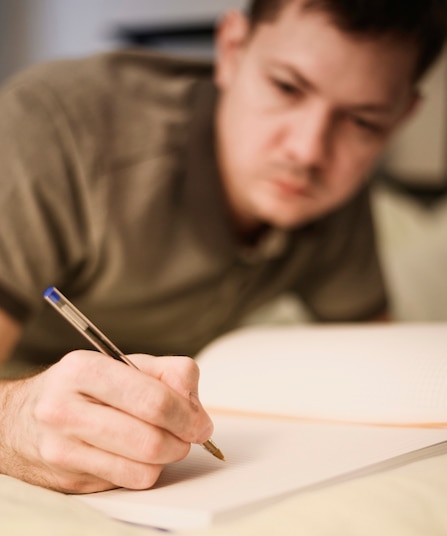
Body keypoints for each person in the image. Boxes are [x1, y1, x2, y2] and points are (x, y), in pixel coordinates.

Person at [0, 0, 445, 494]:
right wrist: (16, 421)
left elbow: (383, 371)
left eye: (363, 120)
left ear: (402, 116)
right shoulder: (55, 130)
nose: (308, 151)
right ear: (231, 48)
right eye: (286, 87)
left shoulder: (340, 196)